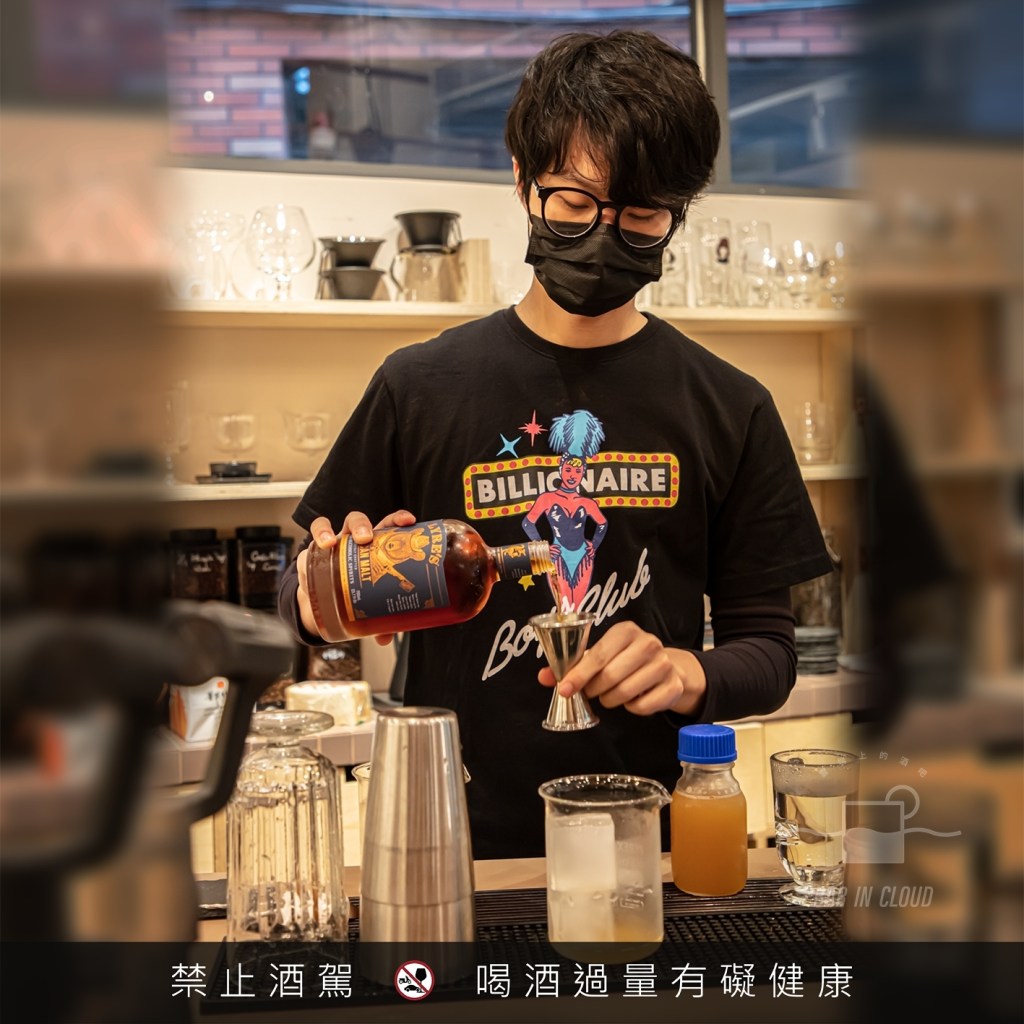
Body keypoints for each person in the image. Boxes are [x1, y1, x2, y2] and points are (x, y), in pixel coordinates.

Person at [278, 30, 833, 859]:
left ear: (677, 216)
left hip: (653, 845)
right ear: (521, 179)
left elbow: (770, 651)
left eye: (640, 216)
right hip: (452, 846)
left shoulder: (729, 405)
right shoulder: (420, 386)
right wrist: (329, 594)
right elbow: (296, 604)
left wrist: (689, 673)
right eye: (574, 203)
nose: (603, 236)